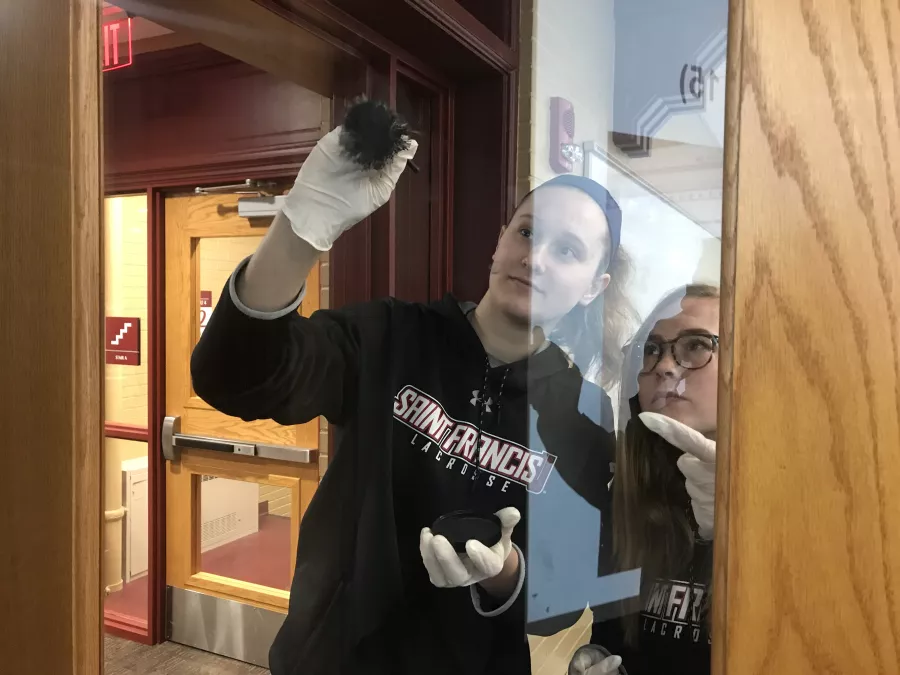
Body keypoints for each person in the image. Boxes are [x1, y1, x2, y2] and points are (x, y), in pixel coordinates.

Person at [191, 117, 633, 675]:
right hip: (335, 659)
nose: (536, 257)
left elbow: (560, 595)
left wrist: (504, 570)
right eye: (526, 232)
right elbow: (231, 377)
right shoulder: (390, 334)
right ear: (500, 240)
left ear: (595, 284)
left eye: (568, 251)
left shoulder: (585, 411)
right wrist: (300, 231)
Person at [569, 284, 720, 675]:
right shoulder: (631, 490)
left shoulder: (795, 497)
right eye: (651, 349)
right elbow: (615, 634)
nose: (666, 366)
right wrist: (598, 659)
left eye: (696, 345)